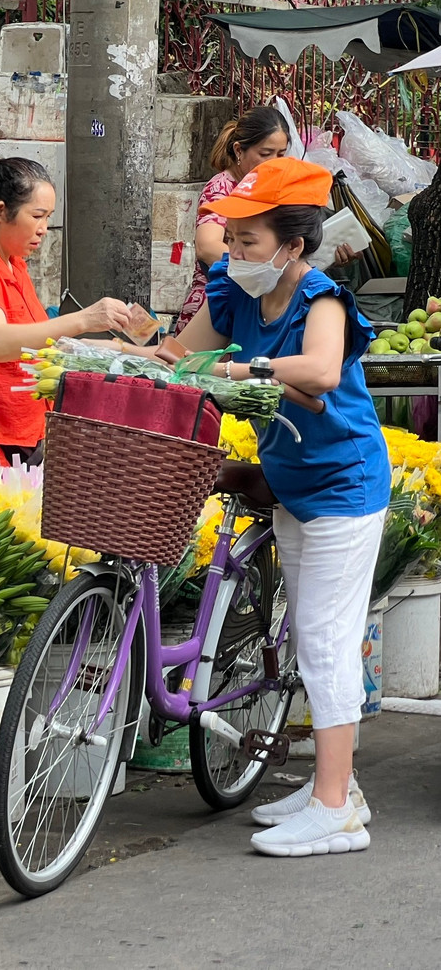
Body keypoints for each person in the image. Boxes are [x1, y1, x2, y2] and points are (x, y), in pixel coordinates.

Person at [173, 156, 389, 857]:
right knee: (308, 641)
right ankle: (338, 786)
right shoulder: (236, 293)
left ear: (293, 245)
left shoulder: (321, 299)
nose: (235, 252)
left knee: (326, 642)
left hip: (344, 488)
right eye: (231, 239)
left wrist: (237, 369)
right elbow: (180, 352)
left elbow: (322, 371)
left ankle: (336, 811)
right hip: (290, 486)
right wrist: (115, 352)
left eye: (250, 241)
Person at [0, 148, 131, 467]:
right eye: (37, 216)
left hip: (21, 432)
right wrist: (82, 319)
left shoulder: (13, 265)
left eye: (48, 218)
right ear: (0, 212)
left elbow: (42, 342)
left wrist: (122, 351)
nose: (44, 228)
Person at [171, 107, 292, 335]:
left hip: (254, 305)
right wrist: (261, 268)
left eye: (281, 154)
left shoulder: (271, 190)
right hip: (216, 306)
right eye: (265, 154)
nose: (274, 163)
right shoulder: (222, 188)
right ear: (239, 150)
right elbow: (207, 247)